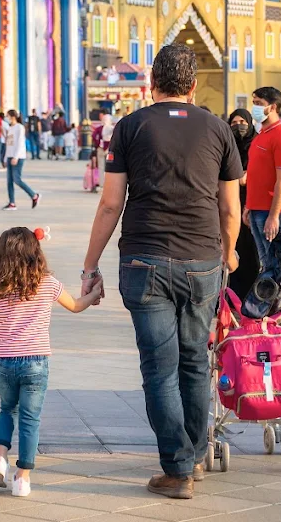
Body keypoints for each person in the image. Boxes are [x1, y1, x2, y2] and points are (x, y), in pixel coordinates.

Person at [81, 44, 241, 499]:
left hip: (144, 260)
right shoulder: (218, 129)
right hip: (203, 262)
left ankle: (178, 468)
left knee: (159, 368)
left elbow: (111, 203)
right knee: (195, 363)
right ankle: (192, 456)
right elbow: (231, 208)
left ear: (152, 85)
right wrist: (229, 253)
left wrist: (90, 264)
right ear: (193, 87)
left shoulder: (129, 127)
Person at [0, 226, 103, 497]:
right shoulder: (48, 284)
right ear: (36, 252)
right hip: (36, 362)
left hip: (6, 362)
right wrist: (94, 293)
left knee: (7, 410)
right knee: (30, 419)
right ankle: (22, 478)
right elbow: (77, 305)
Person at [246, 86, 281, 276]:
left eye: (259, 104)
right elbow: (257, 173)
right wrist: (249, 206)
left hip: (273, 211)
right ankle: (268, 305)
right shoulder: (262, 135)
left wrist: (274, 216)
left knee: (277, 267)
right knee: (266, 263)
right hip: (257, 209)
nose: (255, 108)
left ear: (273, 107)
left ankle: (280, 304)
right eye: (254, 103)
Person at [225, 108, 261, 303]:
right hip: (230, 202)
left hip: (251, 202)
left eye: (242, 122)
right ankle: (231, 296)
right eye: (234, 123)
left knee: (251, 251)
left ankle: (252, 298)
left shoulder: (256, 144)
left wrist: (249, 175)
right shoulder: (227, 145)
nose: (238, 126)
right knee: (232, 248)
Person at [2, 109, 39, 211]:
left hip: (18, 157)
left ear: (13, 116)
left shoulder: (20, 127)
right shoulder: (10, 128)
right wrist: (5, 158)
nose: (7, 118)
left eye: (8, 116)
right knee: (9, 181)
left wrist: (16, 157)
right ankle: (12, 202)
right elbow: (8, 144)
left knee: (17, 179)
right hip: (10, 156)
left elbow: (20, 143)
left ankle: (33, 195)